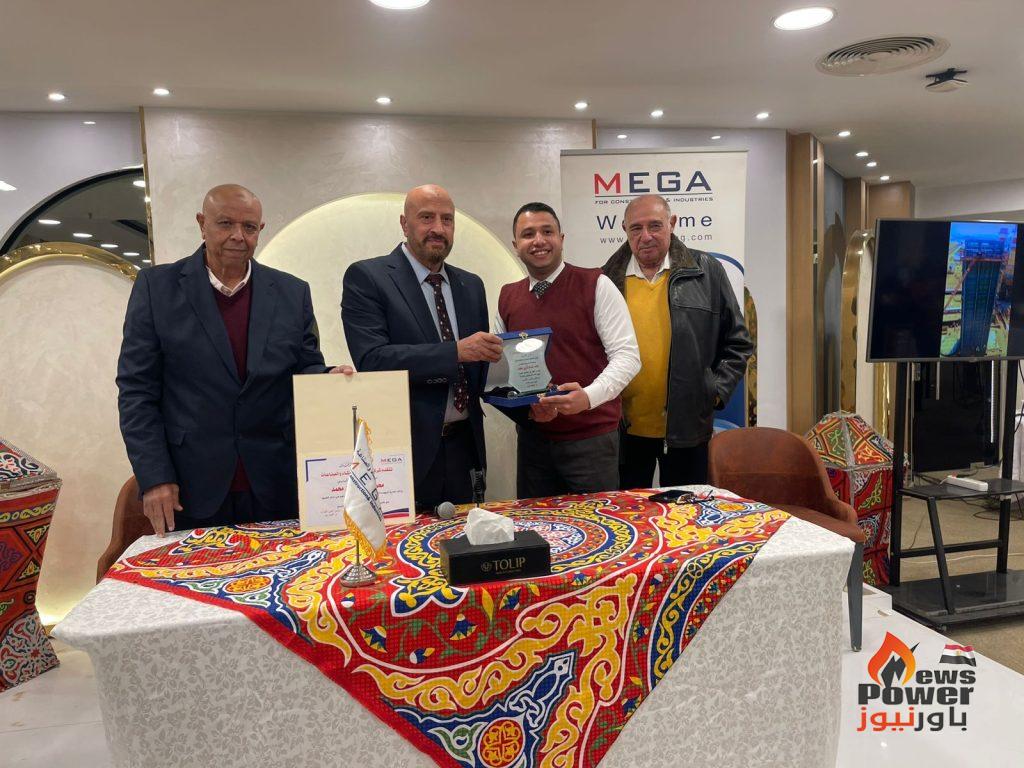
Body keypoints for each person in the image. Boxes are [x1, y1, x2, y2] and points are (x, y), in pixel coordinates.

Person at [117, 184, 350, 535]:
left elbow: (305, 367)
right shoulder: (157, 288)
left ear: (260, 230)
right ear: (202, 224)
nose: (238, 236)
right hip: (189, 486)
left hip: (276, 483)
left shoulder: (292, 292)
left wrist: (327, 376)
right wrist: (155, 476)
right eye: (225, 223)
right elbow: (137, 392)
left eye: (249, 227)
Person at [341, 184, 499, 509]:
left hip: (465, 450)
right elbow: (373, 359)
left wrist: (527, 390)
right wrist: (455, 352)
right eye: (427, 217)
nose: (438, 228)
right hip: (405, 453)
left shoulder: (471, 285)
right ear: (404, 223)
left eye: (447, 219)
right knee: (406, 541)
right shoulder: (368, 277)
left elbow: (480, 369)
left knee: (464, 538)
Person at [603, 194, 752, 488]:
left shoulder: (706, 271)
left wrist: (713, 392)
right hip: (623, 431)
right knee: (629, 511)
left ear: (672, 223)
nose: (646, 236)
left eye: (655, 225)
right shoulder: (606, 280)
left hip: (687, 429)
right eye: (636, 228)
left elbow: (738, 342)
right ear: (624, 230)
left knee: (686, 511)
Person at [496, 202, 639, 498]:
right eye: (528, 234)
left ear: (561, 239)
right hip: (534, 444)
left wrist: (587, 397)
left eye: (547, 231)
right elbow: (502, 369)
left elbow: (628, 357)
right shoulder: (507, 297)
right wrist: (527, 410)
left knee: (597, 524)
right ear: (516, 245)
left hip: (591, 443)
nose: (538, 240)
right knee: (536, 523)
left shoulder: (596, 284)